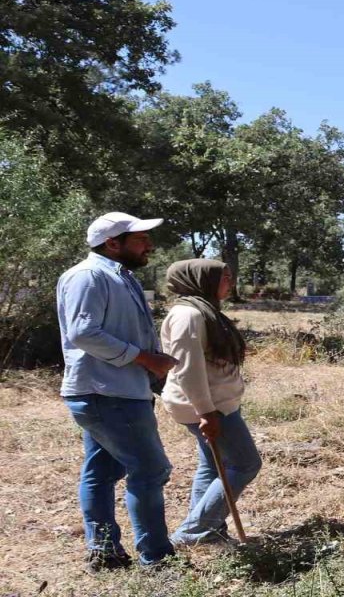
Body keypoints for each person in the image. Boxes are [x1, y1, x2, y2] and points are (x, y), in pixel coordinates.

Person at [57, 212, 177, 570]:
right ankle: (156, 558)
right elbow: (83, 333)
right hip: (107, 393)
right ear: (113, 243)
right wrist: (143, 359)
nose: (149, 246)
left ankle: (105, 552)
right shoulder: (89, 276)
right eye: (140, 239)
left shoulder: (118, 277)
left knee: (103, 471)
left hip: (116, 391)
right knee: (151, 470)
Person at [160, 259, 261, 548]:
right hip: (208, 406)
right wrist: (206, 412)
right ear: (201, 280)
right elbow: (187, 368)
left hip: (217, 403)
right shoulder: (189, 316)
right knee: (245, 464)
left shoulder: (204, 311)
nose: (230, 281)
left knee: (212, 466)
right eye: (224, 277)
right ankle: (193, 532)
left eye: (230, 275)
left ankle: (210, 531)